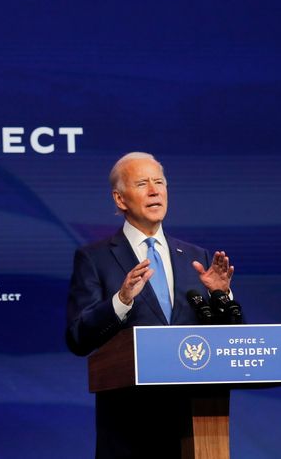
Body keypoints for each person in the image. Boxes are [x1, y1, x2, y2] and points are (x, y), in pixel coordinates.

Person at [66, 152, 235, 458]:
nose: (155, 190)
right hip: (129, 427)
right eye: (143, 183)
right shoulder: (95, 258)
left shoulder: (197, 257)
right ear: (120, 199)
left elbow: (227, 340)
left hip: (196, 422)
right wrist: (122, 300)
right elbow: (78, 336)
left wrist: (222, 296)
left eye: (159, 182)